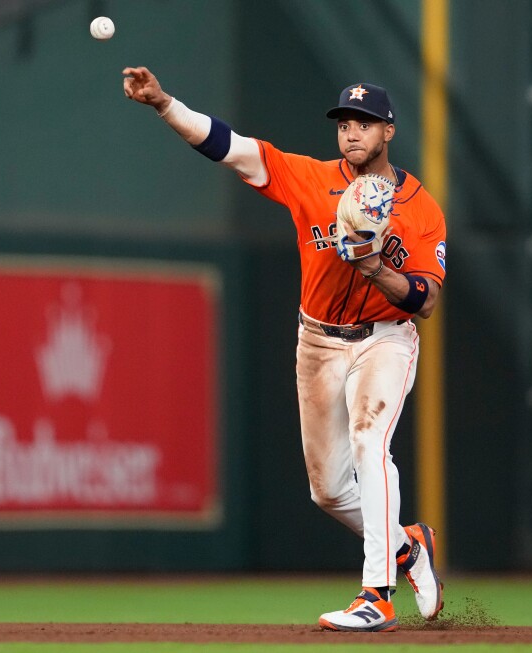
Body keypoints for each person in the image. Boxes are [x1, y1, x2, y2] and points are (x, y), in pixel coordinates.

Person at [123, 66, 447, 632]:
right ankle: (408, 547)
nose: (352, 133)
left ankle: (376, 596)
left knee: (372, 443)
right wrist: (164, 103)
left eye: (365, 124)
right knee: (328, 491)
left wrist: (374, 267)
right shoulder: (309, 178)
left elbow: (425, 299)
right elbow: (227, 146)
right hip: (319, 340)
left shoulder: (419, 206)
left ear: (388, 132)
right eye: (345, 123)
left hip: (385, 339)